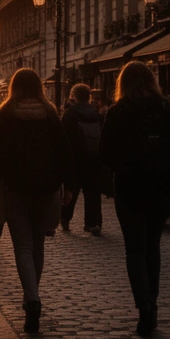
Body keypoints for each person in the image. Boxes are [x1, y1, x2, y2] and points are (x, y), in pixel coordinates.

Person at [99, 61, 170, 337]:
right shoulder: (166, 109)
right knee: (153, 246)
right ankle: (153, 303)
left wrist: (124, 163)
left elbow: (104, 154)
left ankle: (145, 307)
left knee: (135, 249)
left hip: (129, 188)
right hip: (161, 187)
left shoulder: (118, 112)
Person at [0, 69, 74, 334]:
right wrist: (69, 184)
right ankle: (31, 295)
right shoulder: (49, 114)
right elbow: (64, 151)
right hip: (46, 188)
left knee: (23, 246)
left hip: (16, 187)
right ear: (38, 88)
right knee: (38, 246)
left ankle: (31, 298)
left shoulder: (6, 115)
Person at [61, 84, 106, 235]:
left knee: (72, 190)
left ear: (74, 96)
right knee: (93, 193)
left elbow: (63, 139)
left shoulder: (70, 115)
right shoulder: (97, 115)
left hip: (76, 160)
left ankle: (65, 219)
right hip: (94, 160)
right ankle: (93, 223)